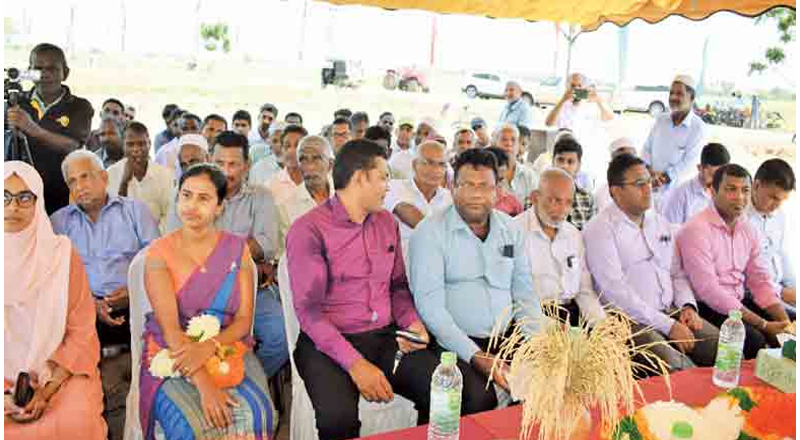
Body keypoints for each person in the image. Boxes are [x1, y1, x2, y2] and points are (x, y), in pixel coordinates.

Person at [286, 140, 441, 440]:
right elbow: (309, 312)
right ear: (359, 178)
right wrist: (356, 364)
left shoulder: (386, 222)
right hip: (327, 344)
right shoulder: (308, 230)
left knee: (441, 390)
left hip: (384, 337)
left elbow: (397, 286)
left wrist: (412, 323)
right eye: (383, 176)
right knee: (338, 420)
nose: (388, 185)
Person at [140, 164, 276, 440]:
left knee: (258, 414)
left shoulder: (237, 250)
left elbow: (242, 322)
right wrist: (204, 384)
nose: (191, 206)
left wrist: (209, 347)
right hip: (170, 350)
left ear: (219, 207)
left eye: (203, 198)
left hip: (227, 344)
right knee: (192, 425)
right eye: (186, 195)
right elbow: (170, 330)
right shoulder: (159, 253)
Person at [409, 148, 543, 413]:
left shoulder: (510, 230)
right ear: (452, 186)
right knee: (477, 399)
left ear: (498, 190)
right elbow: (430, 308)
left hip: (507, 337)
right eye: (467, 185)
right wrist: (476, 356)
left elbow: (524, 293)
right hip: (452, 342)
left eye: (484, 186)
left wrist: (534, 345)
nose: (476, 194)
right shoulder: (430, 232)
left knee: (543, 386)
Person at [50, 150, 159, 438]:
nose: (80, 186)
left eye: (85, 176)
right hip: (84, 310)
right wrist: (89, 303)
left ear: (103, 177)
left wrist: (133, 293)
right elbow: (53, 278)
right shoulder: (59, 222)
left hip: (135, 303)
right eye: (72, 181)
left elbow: (158, 263)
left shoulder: (135, 212)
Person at [167, 131, 286, 379]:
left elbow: (267, 245)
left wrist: (209, 250)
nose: (226, 171)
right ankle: (206, 378)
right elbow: (174, 243)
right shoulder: (188, 195)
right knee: (174, 334)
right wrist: (241, 250)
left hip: (250, 291)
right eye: (220, 163)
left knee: (281, 335)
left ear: (247, 166)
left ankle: (246, 380)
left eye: (234, 164)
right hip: (196, 290)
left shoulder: (261, 197)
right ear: (210, 159)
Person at [583, 154, 719, 371]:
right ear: (615, 191)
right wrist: (668, 325)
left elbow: (677, 273)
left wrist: (687, 306)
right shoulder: (600, 229)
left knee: (723, 348)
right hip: (629, 320)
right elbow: (617, 295)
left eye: (649, 181)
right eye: (639, 184)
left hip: (671, 310)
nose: (648, 189)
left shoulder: (659, 221)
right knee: (679, 368)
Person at [4, 161, 106, 440]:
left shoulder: (61, 255)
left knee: (76, 422)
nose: (13, 207)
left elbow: (82, 331)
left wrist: (45, 392)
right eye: (5, 196)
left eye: (24, 197)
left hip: (59, 371)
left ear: (38, 202)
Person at [677, 164, 793, 360]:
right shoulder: (696, 229)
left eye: (745, 190)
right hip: (707, 306)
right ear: (712, 191)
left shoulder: (747, 228)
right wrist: (763, 324)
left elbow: (760, 280)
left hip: (738, 301)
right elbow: (709, 290)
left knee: (790, 328)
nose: (740, 197)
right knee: (755, 340)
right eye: (731, 189)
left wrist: (783, 322)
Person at [6, 43, 94, 215]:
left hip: (61, 202)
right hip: (16, 202)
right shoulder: (14, 103)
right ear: (29, 72)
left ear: (65, 73)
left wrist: (32, 128)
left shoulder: (79, 106)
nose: (45, 74)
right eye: (38, 69)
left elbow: (72, 147)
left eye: (52, 69)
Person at [516, 168, 605, 327]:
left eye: (568, 202)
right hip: (533, 317)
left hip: (572, 313)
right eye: (554, 200)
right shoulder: (515, 231)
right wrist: (555, 329)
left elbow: (584, 290)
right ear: (535, 197)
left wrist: (601, 324)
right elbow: (517, 299)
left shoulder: (573, 235)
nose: (562, 209)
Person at [641, 75, 707, 210]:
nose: (673, 97)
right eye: (671, 93)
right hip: (650, 186)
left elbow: (688, 164)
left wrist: (663, 179)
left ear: (692, 98)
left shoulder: (698, 128)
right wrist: (649, 172)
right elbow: (646, 148)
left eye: (679, 94)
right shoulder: (661, 120)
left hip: (675, 195)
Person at [384, 140, 453, 267]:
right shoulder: (395, 187)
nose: (436, 170)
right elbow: (410, 215)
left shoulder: (449, 199)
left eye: (442, 164)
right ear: (415, 164)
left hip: (436, 275)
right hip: (398, 275)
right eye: (429, 163)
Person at [106, 122, 174, 232]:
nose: (136, 149)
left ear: (149, 144)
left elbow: (168, 214)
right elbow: (113, 216)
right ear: (123, 146)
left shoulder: (164, 175)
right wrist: (124, 182)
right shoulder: (111, 174)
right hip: (122, 240)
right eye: (130, 144)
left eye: (141, 144)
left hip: (157, 241)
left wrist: (152, 238)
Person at [747, 159, 796, 307]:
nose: (777, 205)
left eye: (782, 200)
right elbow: (744, 274)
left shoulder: (779, 215)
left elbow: (783, 254)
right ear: (756, 185)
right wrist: (781, 292)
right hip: (755, 294)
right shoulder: (739, 219)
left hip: (779, 286)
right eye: (773, 197)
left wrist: (794, 288)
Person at [277, 135, 335, 255]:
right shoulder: (286, 208)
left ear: (330, 165)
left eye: (316, 159)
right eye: (303, 159)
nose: (309, 167)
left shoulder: (347, 197)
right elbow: (287, 256)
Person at [544, 73, 614, 160]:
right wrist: (563, 100)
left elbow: (609, 118)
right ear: (567, 87)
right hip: (565, 152)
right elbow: (548, 123)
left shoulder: (591, 105)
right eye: (572, 86)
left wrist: (598, 100)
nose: (576, 89)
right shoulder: (562, 105)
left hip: (587, 154)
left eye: (579, 85)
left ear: (585, 87)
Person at [662, 143, 730, 224]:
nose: (717, 181)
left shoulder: (725, 192)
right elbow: (669, 230)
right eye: (713, 175)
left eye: (722, 176)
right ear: (700, 168)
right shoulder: (682, 194)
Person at [551, 137, 596, 230]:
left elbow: (591, 235)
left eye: (570, 162)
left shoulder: (587, 199)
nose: (564, 166)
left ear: (578, 166)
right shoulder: (538, 197)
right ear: (553, 161)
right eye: (560, 160)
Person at [494, 123, 538, 208]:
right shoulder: (489, 173)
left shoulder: (529, 175)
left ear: (518, 146)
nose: (509, 144)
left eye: (513, 140)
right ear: (496, 144)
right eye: (504, 139)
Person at [265, 125, 308, 203]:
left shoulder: (318, 183)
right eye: (287, 146)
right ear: (282, 149)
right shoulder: (270, 187)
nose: (291, 151)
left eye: (297, 146)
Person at [595, 137, 638, 212]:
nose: (627, 164)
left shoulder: (647, 187)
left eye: (630, 159)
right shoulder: (603, 193)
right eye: (621, 160)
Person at [484, 147, 524, 217]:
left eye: (501, 179)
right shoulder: (469, 205)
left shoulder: (514, 204)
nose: (497, 185)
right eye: (492, 180)